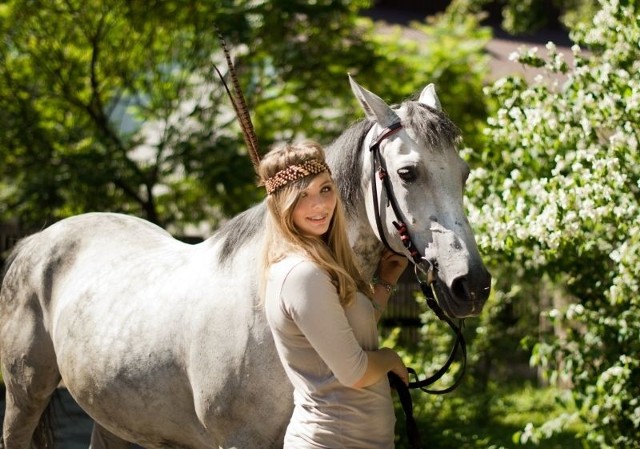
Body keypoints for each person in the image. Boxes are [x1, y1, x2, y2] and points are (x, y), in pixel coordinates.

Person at [259, 140, 409, 448]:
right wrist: (391, 358)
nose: (319, 204)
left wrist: (385, 282)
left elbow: (346, 331)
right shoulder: (303, 274)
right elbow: (353, 371)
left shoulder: (320, 263)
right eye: (302, 196)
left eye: (325, 189)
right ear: (282, 205)